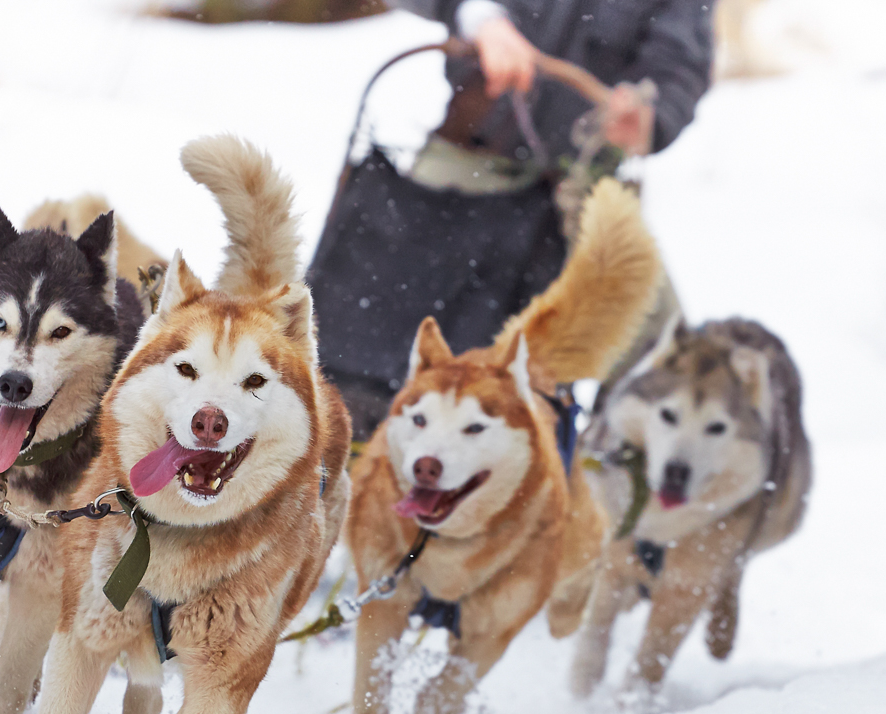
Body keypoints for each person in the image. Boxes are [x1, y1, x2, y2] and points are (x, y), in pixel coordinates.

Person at [306, 0, 715, 439]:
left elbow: (681, 64)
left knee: (661, 354)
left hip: (573, 183)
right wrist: (481, 17)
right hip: (466, 154)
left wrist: (649, 113)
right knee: (369, 296)